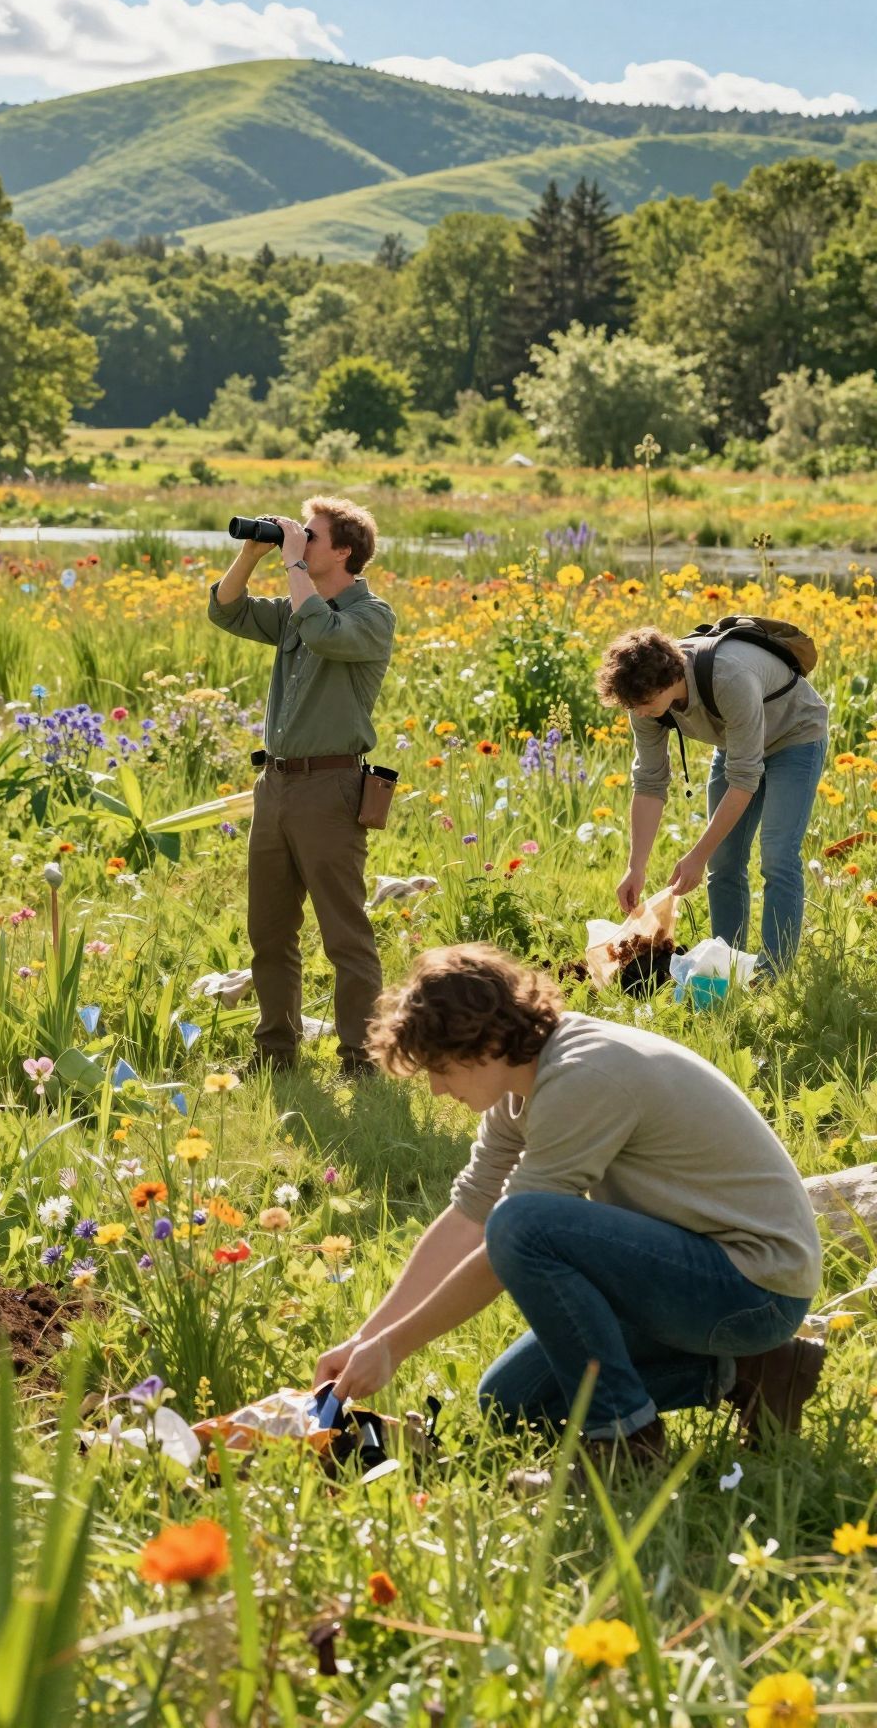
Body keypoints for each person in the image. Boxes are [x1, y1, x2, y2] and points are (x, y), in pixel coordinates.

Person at [313, 945, 825, 1466]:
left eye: (442, 1068)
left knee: (523, 1223)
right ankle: (758, 1371)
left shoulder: (583, 1076)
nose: (438, 1089)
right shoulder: (523, 1081)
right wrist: (366, 1338)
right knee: (509, 1403)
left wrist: (395, 1348)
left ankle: (624, 1442)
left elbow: (507, 1241)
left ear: (487, 1040)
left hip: (754, 1287)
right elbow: (469, 1214)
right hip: (698, 1277)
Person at [207, 497, 395, 1075]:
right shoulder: (294, 605)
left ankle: (361, 1059)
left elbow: (325, 634)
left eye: (310, 537)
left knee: (345, 935)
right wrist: (251, 552)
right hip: (277, 785)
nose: (301, 544)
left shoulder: (372, 615)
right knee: (268, 931)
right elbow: (227, 611)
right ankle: (275, 1054)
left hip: (331, 787)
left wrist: (291, 569)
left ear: (343, 551)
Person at [599, 625, 829, 973]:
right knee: (723, 862)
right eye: (635, 707)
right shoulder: (643, 702)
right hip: (737, 746)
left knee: (778, 855)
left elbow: (744, 780)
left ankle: (774, 973)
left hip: (795, 736)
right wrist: (636, 867)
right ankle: (725, 965)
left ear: (669, 680)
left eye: (644, 704)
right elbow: (649, 781)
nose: (640, 713)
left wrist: (696, 855)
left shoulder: (729, 677)